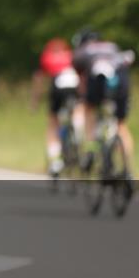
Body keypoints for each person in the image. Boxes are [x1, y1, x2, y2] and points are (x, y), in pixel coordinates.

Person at [71, 29, 136, 183]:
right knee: (121, 125)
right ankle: (128, 170)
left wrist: (83, 98)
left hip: (98, 76)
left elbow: (81, 82)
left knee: (89, 109)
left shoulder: (82, 51)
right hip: (121, 78)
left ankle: (91, 149)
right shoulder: (112, 46)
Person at [31, 37, 81, 177]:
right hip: (74, 84)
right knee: (78, 109)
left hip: (58, 86)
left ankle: (55, 162)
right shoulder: (71, 56)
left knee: (53, 124)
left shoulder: (47, 57)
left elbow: (38, 80)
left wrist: (35, 101)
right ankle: (77, 132)